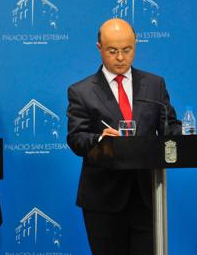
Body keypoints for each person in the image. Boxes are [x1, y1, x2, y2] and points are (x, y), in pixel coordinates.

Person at [66, 18, 181, 255]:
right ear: (99, 48)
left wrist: (186, 138)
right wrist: (101, 139)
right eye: (113, 51)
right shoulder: (81, 91)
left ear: (135, 45)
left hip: (146, 197)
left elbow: (170, 127)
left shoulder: (154, 85)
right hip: (103, 200)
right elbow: (76, 137)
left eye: (127, 50)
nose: (120, 57)